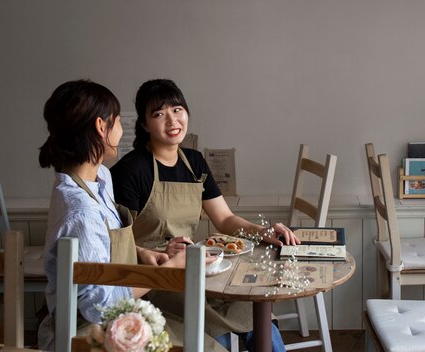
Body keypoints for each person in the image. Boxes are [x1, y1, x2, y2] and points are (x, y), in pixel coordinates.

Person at [111, 79, 299, 351]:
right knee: (214, 328)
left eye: (177, 110)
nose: (172, 120)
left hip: (196, 270)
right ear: (144, 124)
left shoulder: (194, 162)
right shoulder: (131, 170)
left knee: (257, 318)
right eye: (159, 114)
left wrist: (263, 231)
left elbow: (224, 219)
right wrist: (161, 251)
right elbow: (116, 244)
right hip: (154, 280)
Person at [36, 80, 220, 351]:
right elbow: (99, 307)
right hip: (87, 333)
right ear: (101, 127)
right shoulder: (81, 211)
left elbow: (101, 247)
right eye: (119, 122)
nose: (122, 132)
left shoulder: (98, 177)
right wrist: (168, 270)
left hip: (119, 315)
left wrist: (140, 253)